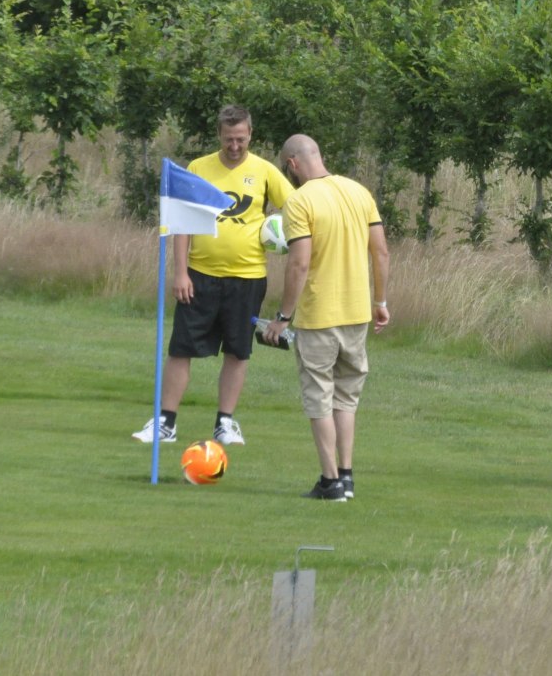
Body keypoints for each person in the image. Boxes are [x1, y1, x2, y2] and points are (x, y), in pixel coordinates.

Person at [132, 105, 295, 447]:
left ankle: (225, 423)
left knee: (238, 352)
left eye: (240, 139)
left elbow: (296, 207)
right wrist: (180, 273)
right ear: (218, 136)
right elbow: (181, 224)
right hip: (199, 276)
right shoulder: (198, 168)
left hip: (248, 278)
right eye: (228, 139)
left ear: (250, 134)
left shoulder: (264, 171)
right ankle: (166, 422)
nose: (234, 146)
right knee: (181, 349)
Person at [263, 135, 390, 502]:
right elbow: (380, 252)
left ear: (292, 164)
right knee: (347, 397)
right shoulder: (359, 192)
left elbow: (300, 263)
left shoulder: (299, 201)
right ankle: (347, 476)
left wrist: (283, 316)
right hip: (356, 312)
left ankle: (330, 481)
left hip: (319, 315)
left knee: (318, 396)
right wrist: (380, 300)